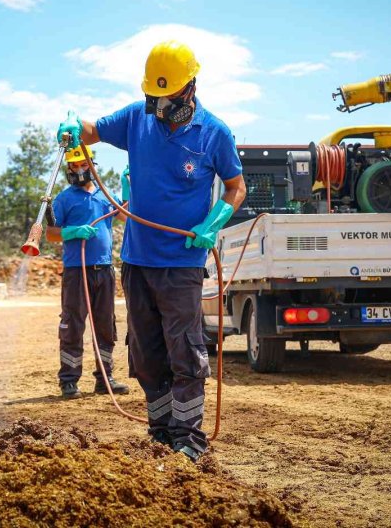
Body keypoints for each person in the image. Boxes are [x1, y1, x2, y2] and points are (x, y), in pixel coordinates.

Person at [55, 40, 247, 460]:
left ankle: (189, 441)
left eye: (168, 97)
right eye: (153, 97)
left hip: (181, 262)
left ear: (190, 88)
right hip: (136, 261)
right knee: (144, 352)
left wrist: (212, 223)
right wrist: (72, 123)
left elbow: (236, 187)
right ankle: (161, 432)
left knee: (185, 350)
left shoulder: (215, 132)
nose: (159, 106)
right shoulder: (135, 119)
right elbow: (92, 131)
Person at [46, 144, 130, 400]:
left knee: (105, 326)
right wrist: (72, 231)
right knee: (72, 325)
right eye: (74, 166)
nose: (80, 170)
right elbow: (50, 234)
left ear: (92, 166)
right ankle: (69, 381)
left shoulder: (105, 196)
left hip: (104, 270)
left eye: (84, 165)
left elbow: (126, 215)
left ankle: (105, 379)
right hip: (76, 271)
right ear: (68, 169)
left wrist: (127, 187)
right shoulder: (63, 199)